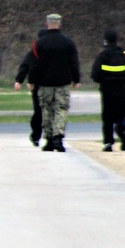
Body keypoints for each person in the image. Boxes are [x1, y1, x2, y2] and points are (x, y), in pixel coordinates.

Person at [28, 13, 80, 152]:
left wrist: (31, 80)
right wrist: (76, 79)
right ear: (60, 25)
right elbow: (74, 63)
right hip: (62, 82)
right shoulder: (68, 43)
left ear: (46, 24)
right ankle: (58, 137)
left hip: (44, 83)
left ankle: (49, 138)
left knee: (46, 109)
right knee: (61, 109)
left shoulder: (39, 44)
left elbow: (34, 64)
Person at [90, 29, 125, 152]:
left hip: (107, 91)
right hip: (121, 90)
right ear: (116, 40)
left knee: (107, 117)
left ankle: (108, 142)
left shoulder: (102, 55)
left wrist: (104, 80)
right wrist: (122, 81)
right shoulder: (123, 55)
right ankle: (122, 131)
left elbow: (95, 75)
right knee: (120, 115)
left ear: (105, 40)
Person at [14, 28, 48, 146]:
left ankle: (36, 136)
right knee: (51, 111)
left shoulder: (35, 51)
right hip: (51, 83)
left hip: (37, 85)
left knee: (38, 111)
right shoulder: (54, 50)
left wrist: (21, 80)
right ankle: (52, 136)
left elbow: (27, 66)